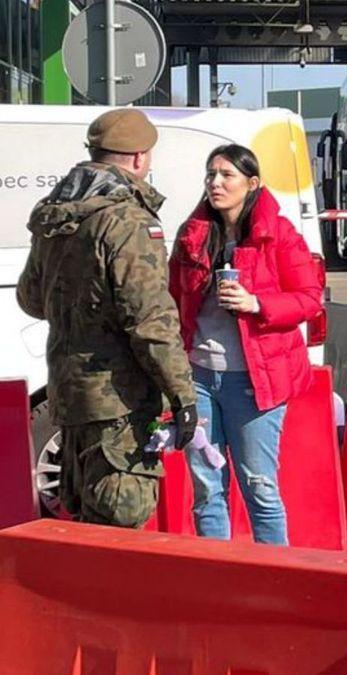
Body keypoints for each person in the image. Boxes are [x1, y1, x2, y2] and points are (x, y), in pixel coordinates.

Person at [17, 109, 197, 528]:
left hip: (70, 394)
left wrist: (80, 305)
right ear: (139, 158)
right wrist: (182, 395)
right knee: (120, 525)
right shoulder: (127, 221)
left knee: (83, 522)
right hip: (119, 399)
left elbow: (31, 299)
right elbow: (151, 320)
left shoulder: (57, 215)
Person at [169, 144, 323, 545]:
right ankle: (220, 583)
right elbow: (172, 298)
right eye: (210, 174)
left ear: (251, 183)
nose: (215, 183)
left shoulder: (278, 233)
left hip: (256, 382)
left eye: (226, 175)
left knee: (260, 486)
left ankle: (275, 578)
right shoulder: (193, 234)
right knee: (206, 488)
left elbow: (310, 298)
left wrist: (258, 303)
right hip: (199, 378)